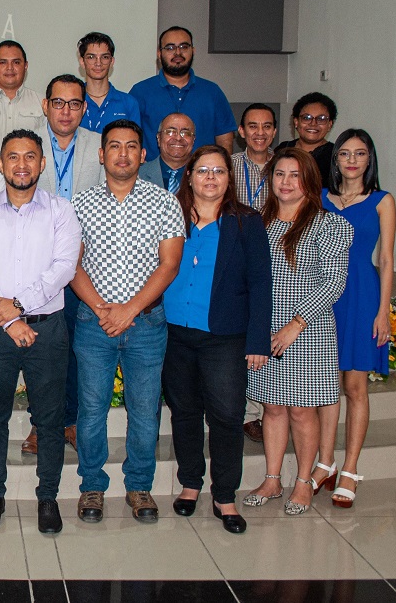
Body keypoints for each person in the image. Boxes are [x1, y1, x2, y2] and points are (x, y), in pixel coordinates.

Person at [0, 129, 82, 534]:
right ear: (1, 164)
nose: (21, 165)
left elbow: (63, 268)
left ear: (42, 163)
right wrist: (11, 321)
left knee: (49, 420)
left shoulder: (61, 211)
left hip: (46, 332)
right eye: (13, 157)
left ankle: (47, 498)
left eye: (30, 156)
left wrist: (18, 308)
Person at [71, 119, 185, 524]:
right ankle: (92, 487)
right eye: (114, 146)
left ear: (142, 154)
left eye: (131, 146)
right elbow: (72, 264)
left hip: (147, 325)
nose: (123, 153)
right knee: (91, 409)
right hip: (93, 322)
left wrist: (130, 308)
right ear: (101, 155)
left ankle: (139, 486)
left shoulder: (164, 202)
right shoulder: (80, 204)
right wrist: (104, 309)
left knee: (144, 411)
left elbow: (169, 266)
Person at [161, 145, 272, 535]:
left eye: (219, 171)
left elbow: (261, 283)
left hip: (224, 336)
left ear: (230, 179)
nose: (210, 177)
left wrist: (258, 339)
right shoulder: (169, 216)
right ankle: (191, 484)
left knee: (226, 416)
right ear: (189, 176)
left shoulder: (246, 222)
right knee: (185, 412)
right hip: (174, 332)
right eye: (203, 170)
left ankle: (224, 494)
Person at [243, 148, 352, 516]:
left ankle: (304, 481)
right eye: (279, 175)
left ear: (309, 181)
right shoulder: (258, 221)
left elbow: (334, 281)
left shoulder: (327, 224)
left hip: (309, 330)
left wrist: (296, 323)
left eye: (294, 175)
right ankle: (273, 479)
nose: (286, 182)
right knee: (272, 408)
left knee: (303, 412)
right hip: (266, 328)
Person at [313, 129, 395, 509]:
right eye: (344, 153)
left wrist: (383, 311)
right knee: (326, 386)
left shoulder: (382, 201)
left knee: (355, 386)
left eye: (359, 153)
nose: (351, 160)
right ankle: (324, 463)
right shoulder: (320, 198)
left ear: (369, 159)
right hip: (324, 294)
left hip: (362, 294)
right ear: (335, 159)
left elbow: (387, 260)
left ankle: (350, 469)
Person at [28, 74, 103, 455]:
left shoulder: (98, 146)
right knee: (41, 353)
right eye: (58, 102)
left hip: (82, 266)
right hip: (35, 268)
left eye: (75, 103)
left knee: (74, 346)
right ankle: (40, 426)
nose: (66, 110)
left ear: (84, 108)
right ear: (46, 105)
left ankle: (70, 421)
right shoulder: (28, 144)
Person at [231, 103, 278, 443]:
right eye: (252, 126)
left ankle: (265, 410)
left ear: (274, 131)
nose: (260, 132)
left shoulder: (286, 168)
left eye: (266, 126)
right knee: (239, 331)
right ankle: (245, 410)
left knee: (266, 327)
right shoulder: (228, 166)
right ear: (241, 132)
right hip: (233, 257)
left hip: (276, 256)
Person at [129, 27, 236, 161]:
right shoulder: (141, 91)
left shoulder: (212, 92)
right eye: (170, 48)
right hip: (153, 178)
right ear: (159, 53)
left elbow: (225, 139)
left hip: (202, 177)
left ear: (193, 51)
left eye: (184, 47)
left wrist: (221, 170)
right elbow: (129, 138)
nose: (178, 52)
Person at [0, 41, 45, 146]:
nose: (10, 68)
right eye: (3, 62)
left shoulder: (42, 103)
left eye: (16, 62)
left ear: (26, 66)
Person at [76, 32, 140, 134]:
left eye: (104, 57)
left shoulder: (129, 103)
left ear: (112, 61)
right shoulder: (73, 101)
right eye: (91, 57)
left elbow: (134, 144)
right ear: (82, 62)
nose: (98, 63)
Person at [274, 92, 338, 189]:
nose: (313, 123)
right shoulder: (283, 149)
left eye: (321, 119)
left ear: (329, 124)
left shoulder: (336, 155)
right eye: (307, 118)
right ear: (296, 122)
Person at [139, 113, 196, 192]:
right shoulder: (137, 175)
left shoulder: (205, 177)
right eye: (170, 132)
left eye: (185, 133)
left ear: (193, 140)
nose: (178, 138)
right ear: (159, 138)